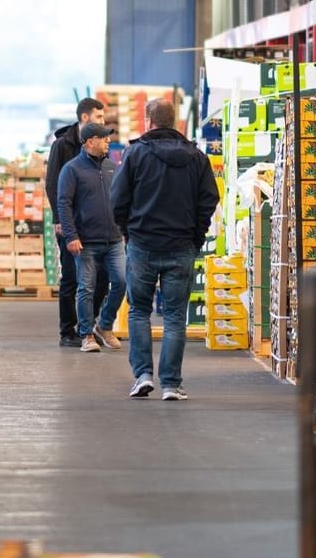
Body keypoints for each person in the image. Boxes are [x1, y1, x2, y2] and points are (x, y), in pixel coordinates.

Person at [111, 98, 218, 401]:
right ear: (175, 122)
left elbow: (117, 199)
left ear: (148, 121)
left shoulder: (135, 155)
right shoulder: (197, 157)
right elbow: (209, 199)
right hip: (181, 246)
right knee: (173, 317)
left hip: (143, 244)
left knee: (139, 312)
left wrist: (128, 232)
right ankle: (171, 384)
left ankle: (143, 375)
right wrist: (196, 236)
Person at [56, 123, 126, 354]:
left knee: (122, 281)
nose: (108, 141)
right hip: (85, 241)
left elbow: (121, 199)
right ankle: (86, 334)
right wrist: (71, 235)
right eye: (103, 137)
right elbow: (63, 204)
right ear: (89, 142)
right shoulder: (71, 169)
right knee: (86, 287)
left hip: (114, 239)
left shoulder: (112, 167)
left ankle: (104, 325)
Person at [45, 97, 109, 349]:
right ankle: (67, 331)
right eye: (100, 117)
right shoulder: (63, 145)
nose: (104, 123)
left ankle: (89, 327)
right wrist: (59, 220)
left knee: (102, 277)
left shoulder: (100, 146)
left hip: (96, 226)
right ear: (85, 118)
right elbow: (52, 184)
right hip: (70, 224)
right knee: (71, 278)